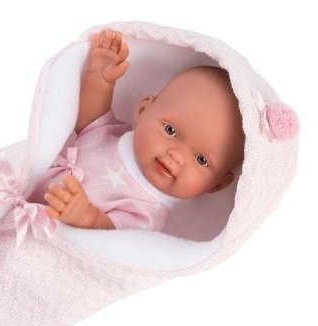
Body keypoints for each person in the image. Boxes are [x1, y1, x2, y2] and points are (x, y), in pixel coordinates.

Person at [30, 29, 245, 230]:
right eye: (170, 130)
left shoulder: (149, 213)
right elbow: (87, 117)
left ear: (218, 184)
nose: (176, 156)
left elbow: (114, 241)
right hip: (23, 191)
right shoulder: (109, 134)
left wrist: (87, 217)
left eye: (201, 159)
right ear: (143, 110)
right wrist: (100, 78)